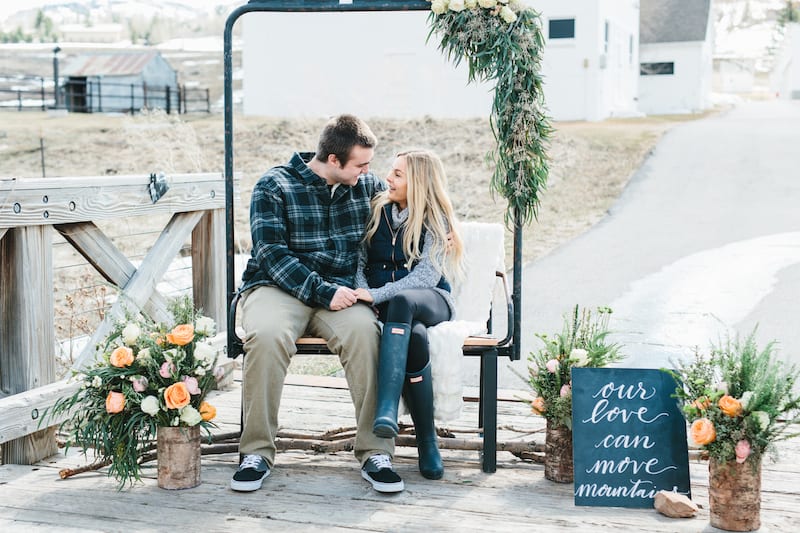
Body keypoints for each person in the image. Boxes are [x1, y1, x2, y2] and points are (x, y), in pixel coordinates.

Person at [231, 115, 405, 494]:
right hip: (278, 287)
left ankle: (376, 451)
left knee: (366, 333)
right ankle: (257, 452)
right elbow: (270, 253)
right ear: (332, 159)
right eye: (360, 164)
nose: (367, 172)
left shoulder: (368, 186)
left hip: (341, 295)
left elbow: (414, 211)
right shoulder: (274, 185)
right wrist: (321, 290)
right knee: (266, 336)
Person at [354, 149, 464, 480]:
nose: (388, 178)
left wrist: (375, 295)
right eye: (391, 171)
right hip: (393, 307)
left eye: (398, 174)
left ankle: (387, 407)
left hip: (431, 300)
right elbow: (358, 262)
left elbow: (424, 278)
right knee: (415, 338)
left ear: (417, 182)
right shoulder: (377, 211)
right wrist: (365, 293)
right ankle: (427, 442)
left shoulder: (434, 219)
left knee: (403, 300)